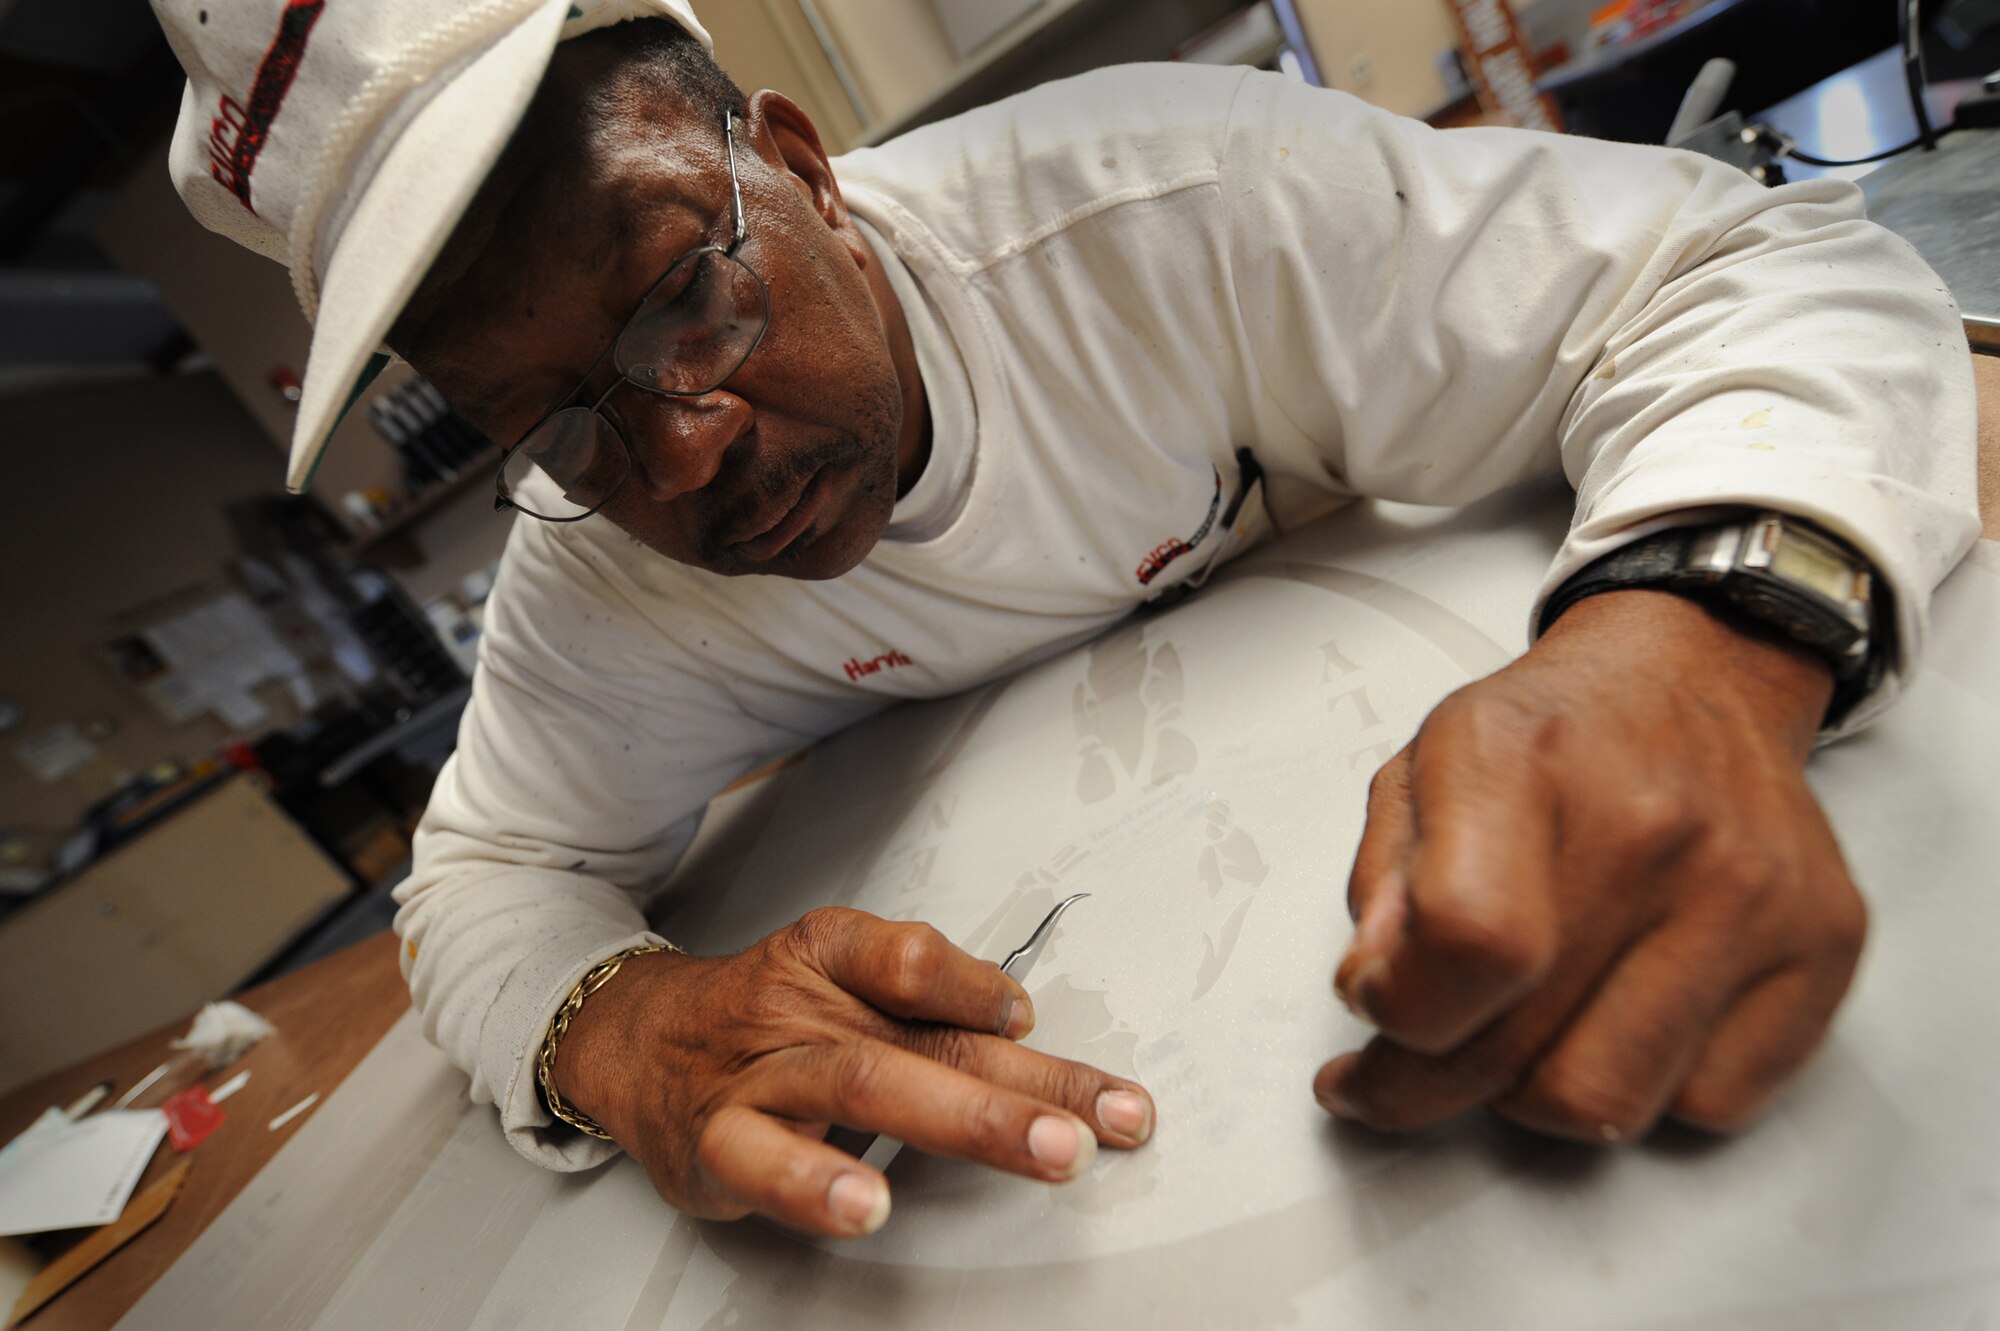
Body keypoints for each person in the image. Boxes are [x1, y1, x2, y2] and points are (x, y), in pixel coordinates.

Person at [154, 0, 1978, 1241]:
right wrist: (618, 1023)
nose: (682, 449)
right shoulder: (605, 577)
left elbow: (1743, 264)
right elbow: (483, 878)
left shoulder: (1162, 205)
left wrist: (1688, 637)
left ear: (797, 162)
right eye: (549, 421)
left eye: (681, 295)